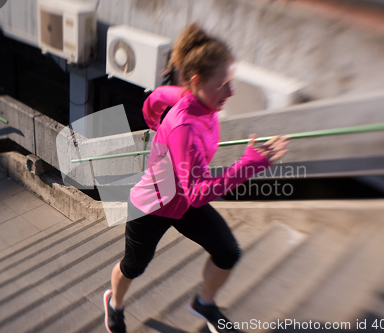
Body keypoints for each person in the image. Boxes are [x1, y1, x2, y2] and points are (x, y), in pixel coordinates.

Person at [104, 24, 288, 333]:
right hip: (153, 204)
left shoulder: (199, 99)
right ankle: (114, 304)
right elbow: (197, 194)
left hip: (182, 199)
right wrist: (247, 165)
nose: (232, 92)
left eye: (231, 82)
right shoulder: (184, 128)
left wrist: (152, 119)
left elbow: (158, 97)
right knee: (134, 266)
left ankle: (204, 303)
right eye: (224, 84)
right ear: (197, 82)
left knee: (228, 252)